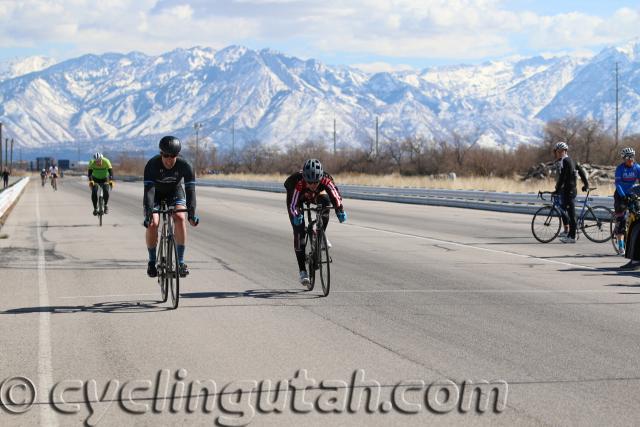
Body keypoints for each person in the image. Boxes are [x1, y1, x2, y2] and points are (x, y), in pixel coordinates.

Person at [284, 159, 347, 286]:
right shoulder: (298, 183)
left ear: (321, 178)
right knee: (299, 233)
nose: (313, 185)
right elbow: (293, 204)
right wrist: (296, 214)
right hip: (298, 199)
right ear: (305, 179)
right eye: (310, 182)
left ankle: (319, 233)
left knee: (326, 202)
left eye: (316, 182)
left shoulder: (326, 180)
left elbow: (335, 196)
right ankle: (302, 271)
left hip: (315, 196)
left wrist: (340, 210)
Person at [143, 136, 199, 278]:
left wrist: (192, 213)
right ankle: (151, 260)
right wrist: (149, 213)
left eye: (172, 155)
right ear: (161, 153)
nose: (169, 159)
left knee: (180, 217)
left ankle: (180, 262)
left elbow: (190, 191)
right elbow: (148, 192)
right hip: (155, 193)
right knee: (153, 223)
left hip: (174, 192)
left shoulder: (185, 165)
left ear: (177, 155)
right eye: (165, 155)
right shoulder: (152, 165)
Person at [552, 142, 589, 244]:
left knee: (571, 214)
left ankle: (572, 237)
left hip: (569, 190)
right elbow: (581, 171)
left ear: (565, 151)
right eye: (557, 151)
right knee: (567, 211)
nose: (559, 153)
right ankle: (568, 233)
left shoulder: (565, 161)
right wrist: (586, 184)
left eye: (561, 151)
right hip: (570, 190)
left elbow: (563, 177)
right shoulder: (571, 160)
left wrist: (557, 189)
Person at [613, 148, 640, 256]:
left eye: (632, 157)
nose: (631, 159)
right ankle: (620, 245)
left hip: (632, 195)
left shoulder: (637, 168)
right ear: (624, 158)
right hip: (621, 195)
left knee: (637, 217)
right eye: (628, 157)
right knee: (622, 220)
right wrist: (623, 196)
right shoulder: (620, 168)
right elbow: (618, 184)